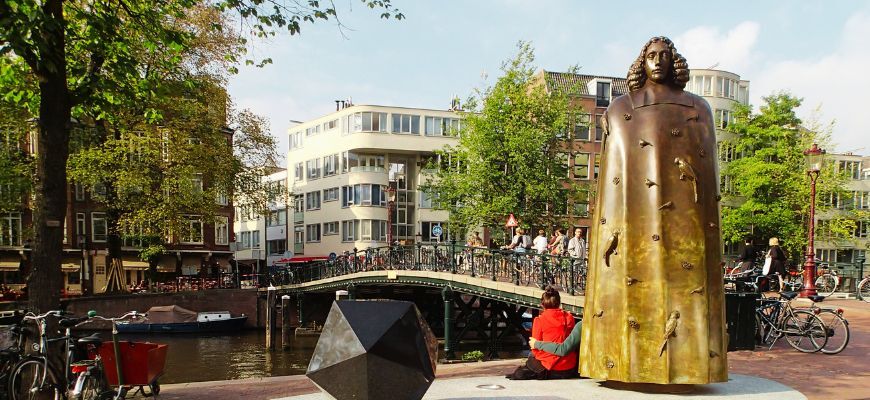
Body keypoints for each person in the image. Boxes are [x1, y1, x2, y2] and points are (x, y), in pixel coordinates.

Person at [580, 37, 727, 384]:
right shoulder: (620, 108)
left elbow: (706, 171)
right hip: (631, 219)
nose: (658, 61)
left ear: (674, 61)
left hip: (685, 222)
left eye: (664, 55)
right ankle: (622, 363)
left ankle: (687, 365)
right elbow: (613, 178)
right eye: (651, 56)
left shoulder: (699, 108)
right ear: (642, 62)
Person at [506, 286, 577, 380]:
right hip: (568, 367)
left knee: (531, 356)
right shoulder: (569, 318)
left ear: (542, 305)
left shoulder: (539, 320)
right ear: (559, 303)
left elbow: (534, 347)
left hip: (551, 367)